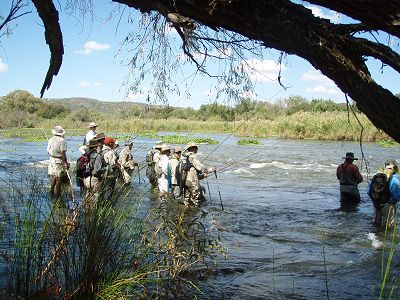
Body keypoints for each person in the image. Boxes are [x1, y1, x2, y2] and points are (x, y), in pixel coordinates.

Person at [181, 142, 216, 207]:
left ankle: (185, 212)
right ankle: (196, 214)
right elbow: (200, 167)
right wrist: (210, 170)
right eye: (196, 148)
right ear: (192, 148)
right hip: (192, 183)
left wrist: (202, 176)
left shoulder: (185, 157)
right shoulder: (192, 156)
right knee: (196, 200)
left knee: (187, 199)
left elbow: (191, 172)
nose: (197, 149)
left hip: (186, 181)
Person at [376, 160, 400, 228]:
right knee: (388, 227)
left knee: (377, 224)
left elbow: (369, 190)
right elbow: (397, 196)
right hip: (389, 205)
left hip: (377, 204)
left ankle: (375, 237)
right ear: (395, 167)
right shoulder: (395, 179)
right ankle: (383, 238)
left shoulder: (378, 176)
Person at [47, 126, 69, 196]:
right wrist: (65, 162)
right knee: (59, 178)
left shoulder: (50, 139)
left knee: (54, 177)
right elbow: (63, 152)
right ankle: (58, 194)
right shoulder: (62, 140)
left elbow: (48, 151)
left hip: (51, 160)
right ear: (61, 133)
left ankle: (51, 192)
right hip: (59, 160)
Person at [83, 138, 105, 204]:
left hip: (85, 179)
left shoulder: (85, 155)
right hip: (94, 179)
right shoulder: (98, 156)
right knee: (94, 201)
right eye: (98, 146)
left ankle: (86, 212)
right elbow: (97, 170)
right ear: (95, 147)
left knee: (87, 199)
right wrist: (101, 177)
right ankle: (92, 213)